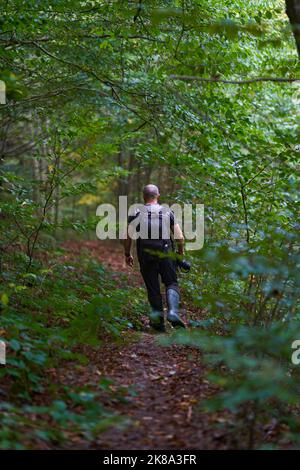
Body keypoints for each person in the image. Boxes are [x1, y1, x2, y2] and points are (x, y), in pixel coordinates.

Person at [124, 184, 186, 332]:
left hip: (145, 254)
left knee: (153, 288)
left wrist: (127, 254)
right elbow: (180, 237)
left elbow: (127, 237)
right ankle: (172, 312)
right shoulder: (166, 211)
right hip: (165, 252)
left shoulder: (135, 212)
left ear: (143, 197)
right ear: (158, 196)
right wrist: (180, 253)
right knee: (171, 282)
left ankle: (158, 324)